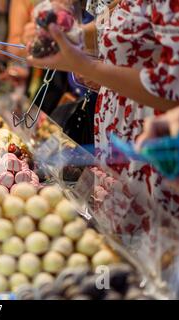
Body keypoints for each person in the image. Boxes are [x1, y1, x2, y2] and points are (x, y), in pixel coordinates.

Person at [26, 0, 179, 230]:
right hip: (121, 134)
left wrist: (87, 65)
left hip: (155, 142)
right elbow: (120, 27)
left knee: (153, 248)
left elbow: (170, 89)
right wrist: (69, 36)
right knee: (117, 241)